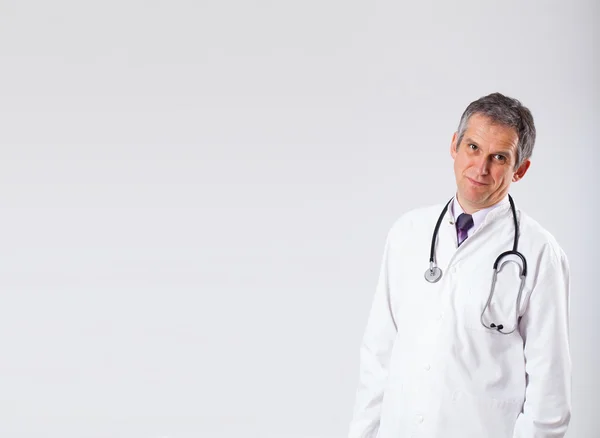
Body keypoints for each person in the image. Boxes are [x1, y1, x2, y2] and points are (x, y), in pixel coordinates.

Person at [348, 93, 571, 438]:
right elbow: (378, 356)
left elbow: (549, 390)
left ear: (520, 169)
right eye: (473, 147)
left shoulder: (539, 252)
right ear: (454, 145)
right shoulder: (408, 233)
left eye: (499, 157)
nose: (481, 168)